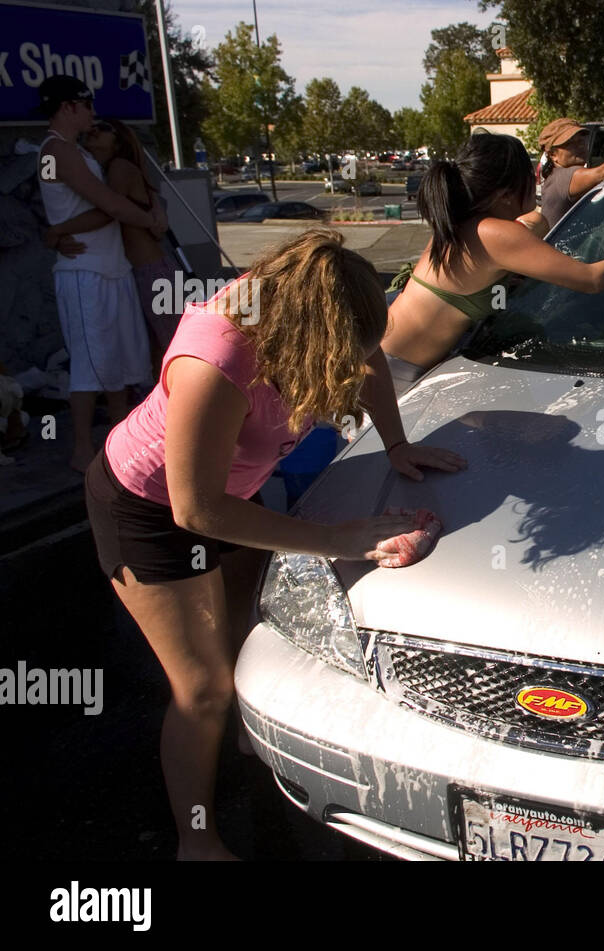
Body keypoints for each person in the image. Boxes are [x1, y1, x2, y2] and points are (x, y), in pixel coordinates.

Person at [84, 228, 468, 859]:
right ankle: (196, 838)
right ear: (308, 331)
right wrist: (331, 540)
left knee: (245, 634)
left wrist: (397, 443)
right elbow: (196, 508)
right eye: (340, 353)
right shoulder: (217, 355)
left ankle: (244, 739)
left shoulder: (309, 314)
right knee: (202, 687)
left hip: (230, 496)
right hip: (148, 507)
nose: (352, 368)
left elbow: (367, 358)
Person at [382, 133, 604, 396]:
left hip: (391, 357)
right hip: (393, 373)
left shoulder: (460, 226)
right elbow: (592, 280)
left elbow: (531, 227)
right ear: (505, 195)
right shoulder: (495, 234)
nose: (536, 182)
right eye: (530, 176)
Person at [36, 75, 162, 471]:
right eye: (87, 106)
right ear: (68, 106)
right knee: (91, 367)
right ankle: (81, 452)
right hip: (84, 270)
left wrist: (57, 231)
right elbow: (109, 204)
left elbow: (99, 207)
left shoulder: (75, 151)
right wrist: (152, 221)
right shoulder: (57, 151)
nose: (93, 114)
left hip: (110, 268)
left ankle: (120, 445)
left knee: (121, 364)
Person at [48, 118, 183, 372]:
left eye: (103, 128)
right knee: (156, 343)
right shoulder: (111, 169)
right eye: (92, 126)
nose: (93, 130)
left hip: (152, 271)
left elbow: (111, 210)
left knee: (171, 342)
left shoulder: (119, 167)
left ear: (118, 141)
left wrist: (56, 231)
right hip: (144, 270)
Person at [537, 118, 604, 232]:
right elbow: (601, 173)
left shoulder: (558, 176)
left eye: (581, 140)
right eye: (570, 143)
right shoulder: (563, 177)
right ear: (553, 155)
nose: (580, 145)